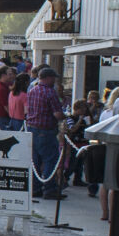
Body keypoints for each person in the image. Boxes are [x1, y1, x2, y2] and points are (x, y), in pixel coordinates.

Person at [24, 66, 69, 199]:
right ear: (48, 78)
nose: (54, 81)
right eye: (53, 78)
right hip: (46, 130)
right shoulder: (50, 92)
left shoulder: (32, 90)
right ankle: (49, 189)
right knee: (51, 159)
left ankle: (35, 188)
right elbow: (57, 114)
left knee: (35, 160)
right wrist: (66, 116)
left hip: (32, 128)